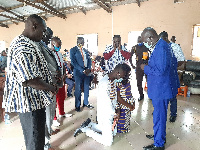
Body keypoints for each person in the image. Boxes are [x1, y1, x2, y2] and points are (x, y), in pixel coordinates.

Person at [2, 14, 58, 150]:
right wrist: (51, 87)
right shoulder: (22, 46)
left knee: (37, 138)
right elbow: (29, 80)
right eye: (43, 31)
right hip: (29, 103)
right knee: (34, 140)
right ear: (34, 26)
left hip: (36, 100)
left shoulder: (31, 42)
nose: (44, 34)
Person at [74, 63, 131, 146]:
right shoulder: (105, 83)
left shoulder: (113, 80)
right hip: (106, 114)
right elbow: (107, 102)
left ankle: (91, 124)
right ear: (118, 72)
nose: (124, 77)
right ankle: (86, 130)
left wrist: (118, 110)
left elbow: (114, 98)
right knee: (108, 142)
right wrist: (115, 113)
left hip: (111, 112)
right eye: (124, 75)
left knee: (113, 132)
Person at [140, 27, 174, 150]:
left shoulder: (161, 48)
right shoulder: (160, 46)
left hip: (161, 89)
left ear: (150, 37)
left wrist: (146, 68)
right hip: (159, 88)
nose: (145, 43)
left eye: (145, 40)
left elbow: (160, 70)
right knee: (159, 115)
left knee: (159, 116)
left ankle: (159, 144)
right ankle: (159, 136)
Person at [39, 27, 60, 150]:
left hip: (52, 85)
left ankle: (48, 134)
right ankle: (45, 143)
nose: (47, 36)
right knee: (46, 115)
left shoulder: (45, 47)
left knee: (50, 114)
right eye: (46, 34)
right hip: (46, 86)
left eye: (49, 35)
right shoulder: (38, 46)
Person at [159, 31, 181, 123]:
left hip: (171, 76)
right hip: (162, 76)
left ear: (165, 38)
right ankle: (161, 112)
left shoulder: (175, 47)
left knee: (172, 96)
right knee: (162, 96)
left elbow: (181, 60)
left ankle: (173, 114)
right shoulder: (160, 47)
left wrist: (172, 68)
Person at [51, 36, 72, 124]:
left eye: (60, 46)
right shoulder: (49, 54)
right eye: (57, 46)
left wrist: (64, 75)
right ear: (52, 44)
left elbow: (62, 65)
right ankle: (54, 118)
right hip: (54, 80)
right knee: (54, 99)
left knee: (61, 96)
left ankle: (62, 113)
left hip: (61, 78)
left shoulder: (59, 54)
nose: (59, 48)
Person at [70, 37, 93, 112]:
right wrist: (82, 70)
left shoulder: (85, 50)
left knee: (86, 87)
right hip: (78, 72)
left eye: (82, 42)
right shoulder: (73, 50)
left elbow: (89, 60)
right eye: (80, 41)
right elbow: (73, 62)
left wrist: (88, 68)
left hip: (86, 72)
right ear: (77, 42)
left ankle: (86, 103)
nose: (81, 43)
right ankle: (77, 105)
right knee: (78, 89)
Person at [129, 36, 149, 101]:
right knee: (139, 83)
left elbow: (150, 56)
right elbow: (130, 57)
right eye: (139, 41)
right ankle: (141, 95)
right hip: (138, 68)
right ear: (137, 41)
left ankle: (150, 95)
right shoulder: (135, 48)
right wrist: (132, 65)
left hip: (146, 67)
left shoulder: (146, 47)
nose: (140, 42)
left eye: (141, 41)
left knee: (149, 82)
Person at [116, 68, 135, 133]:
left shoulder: (127, 82)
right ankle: (120, 130)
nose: (128, 75)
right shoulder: (118, 84)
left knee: (127, 117)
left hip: (128, 105)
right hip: (123, 105)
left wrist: (133, 103)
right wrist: (129, 105)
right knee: (122, 119)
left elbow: (129, 93)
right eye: (127, 73)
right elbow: (118, 98)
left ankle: (125, 128)